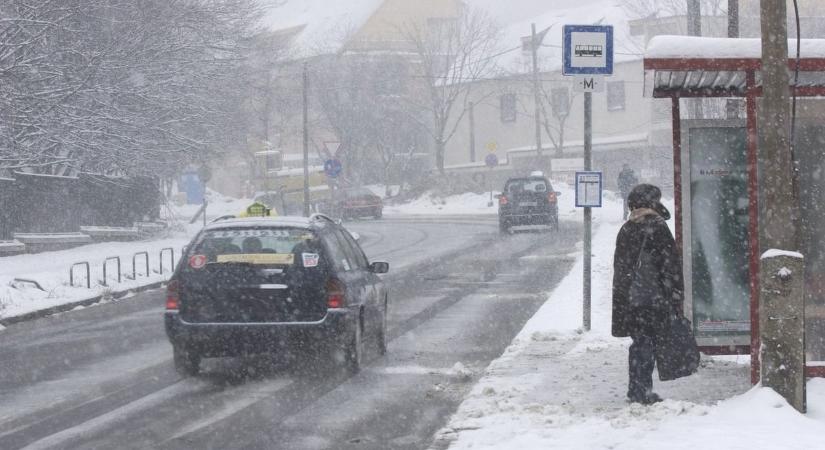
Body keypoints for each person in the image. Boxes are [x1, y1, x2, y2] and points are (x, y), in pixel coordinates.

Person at [611, 184, 683, 405]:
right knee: (647, 343)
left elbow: (620, 266)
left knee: (639, 342)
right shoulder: (657, 227)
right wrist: (675, 293)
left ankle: (637, 388)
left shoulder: (627, 228)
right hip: (653, 296)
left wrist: (624, 295)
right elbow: (670, 264)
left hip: (632, 297)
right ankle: (641, 391)